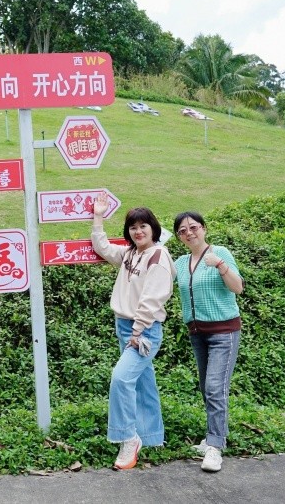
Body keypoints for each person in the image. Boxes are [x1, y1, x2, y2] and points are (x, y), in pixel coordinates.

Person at [90, 195, 174, 471]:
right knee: (142, 382)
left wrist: (137, 332)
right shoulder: (130, 254)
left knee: (121, 378)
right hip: (125, 326)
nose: (138, 231)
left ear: (153, 229)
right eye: (133, 227)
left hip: (143, 330)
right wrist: (98, 216)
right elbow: (102, 247)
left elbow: (152, 299)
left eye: (143, 226)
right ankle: (151, 437)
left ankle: (129, 438)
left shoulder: (158, 257)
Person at [172, 211, 244, 473]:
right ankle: (215, 436)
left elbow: (238, 287)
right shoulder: (181, 263)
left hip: (224, 332)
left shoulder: (219, 252)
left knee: (215, 387)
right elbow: (158, 280)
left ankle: (215, 446)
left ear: (203, 228)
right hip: (197, 333)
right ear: (179, 237)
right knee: (207, 387)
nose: (189, 233)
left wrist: (221, 266)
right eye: (182, 231)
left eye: (193, 227)